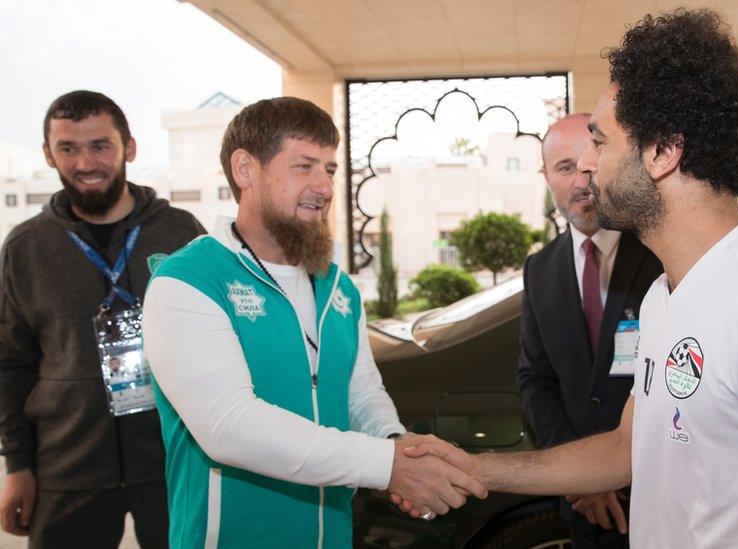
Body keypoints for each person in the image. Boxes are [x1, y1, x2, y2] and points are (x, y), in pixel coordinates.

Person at [395, 10, 738, 547]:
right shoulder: (664, 294)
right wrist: (479, 469)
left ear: (662, 152)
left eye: (601, 141)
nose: (587, 164)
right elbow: (624, 449)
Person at [141, 97, 485, 548]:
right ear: (245, 170)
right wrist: (388, 465)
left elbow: (361, 394)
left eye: (330, 169)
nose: (323, 187)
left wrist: (399, 444)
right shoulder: (188, 281)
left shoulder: (339, 287)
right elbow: (228, 427)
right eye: (304, 166)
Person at [0, 90, 206, 548]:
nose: (85, 162)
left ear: (128, 148)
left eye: (100, 145)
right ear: (48, 154)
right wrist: (18, 467)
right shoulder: (26, 248)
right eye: (68, 148)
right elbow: (11, 364)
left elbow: (217, 346)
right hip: (68, 466)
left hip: (175, 460)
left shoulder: (181, 234)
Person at [517, 114, 659, 546]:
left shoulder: (660, 254)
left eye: (588, 161)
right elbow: (536, 379)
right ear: (545, 177)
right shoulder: (539, 270)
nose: (581, 180)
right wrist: (580, 477)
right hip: (583, 509)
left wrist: (614, 469)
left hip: (658, 494)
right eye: (563, 168)